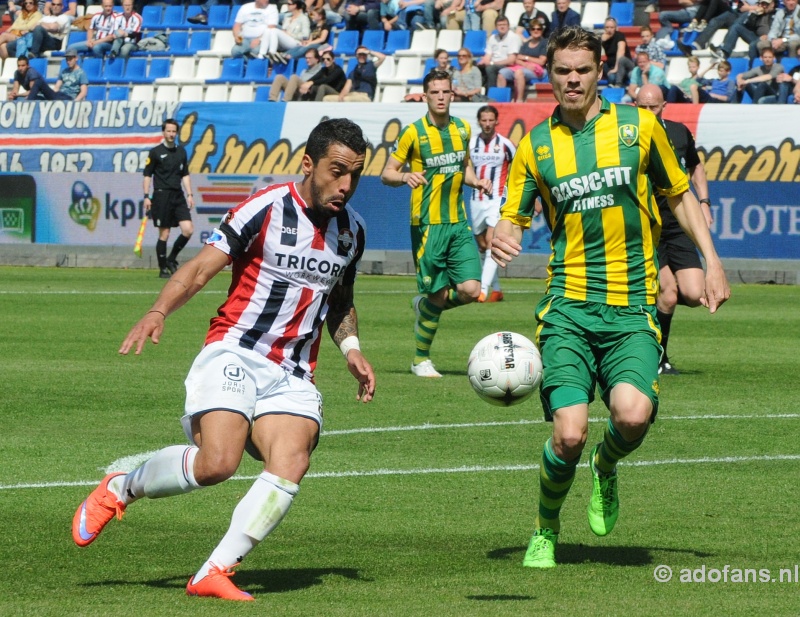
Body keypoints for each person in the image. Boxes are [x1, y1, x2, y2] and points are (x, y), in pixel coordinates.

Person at [72, 118, 376, 603]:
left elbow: (339, 300)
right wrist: (158, 310)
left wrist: (353, 349)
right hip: (236, 350)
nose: (345, 184)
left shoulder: (352, 231)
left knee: (292, 458)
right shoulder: (264, 208)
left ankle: (215, 570)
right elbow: (198, 270)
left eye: (355, 174)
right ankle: (122, 485)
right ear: (307, 163)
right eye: (336, 170)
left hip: (293, 371)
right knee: (218, 464)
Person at [491, 26, 729, 569]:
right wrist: (505, 231)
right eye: (561, 71)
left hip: (631, 306)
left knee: (631, 418)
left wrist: (712, 262)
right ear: (548, 75)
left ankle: (606, 464)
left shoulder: (639, 127)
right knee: (568, 434)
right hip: (569, 307)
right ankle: (545, 527)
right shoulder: (534, 145)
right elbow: (514, 214)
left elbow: (680, 196)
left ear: (601, 71)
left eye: (582, 70)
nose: (572, 80)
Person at [380, 69, 492, 378]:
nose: (441, 97)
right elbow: (387, 173)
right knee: (438, 295)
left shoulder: (463, 129)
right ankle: (420, 360)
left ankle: (426, 307)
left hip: (459, 223)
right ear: (426, 96)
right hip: (427, 224)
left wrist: (477, 182)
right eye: (435, 92)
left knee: (471, 290)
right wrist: (404, 176)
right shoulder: (413, 133)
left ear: (452, 95)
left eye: (446, 92)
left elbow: (464, 167)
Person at [636, 84, 713, 375]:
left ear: (663, 105)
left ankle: (648, 304)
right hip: (648, 225)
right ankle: (659, 357)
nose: (647, 112)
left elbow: (695, 167)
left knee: (694, 295)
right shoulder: (627, 138)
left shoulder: (680, 132)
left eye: (652, 107)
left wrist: (704, 202)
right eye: (642, 107)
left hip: (678, 223)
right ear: (634, 106)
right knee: (668, 294)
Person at [468, 105, 515, 303]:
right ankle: (496, 289)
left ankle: (483, 290)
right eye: (483, 120)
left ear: (496, 121)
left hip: (497, 200)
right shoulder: (470, 145)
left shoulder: (506, 144)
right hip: (476, 200)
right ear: (479, 121)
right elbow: (465, 168)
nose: (487, 124)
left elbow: (518, 167)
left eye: (490, 120)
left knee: (491, 241)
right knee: (482, 245)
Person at [142, 119, 195, 279]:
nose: (171, 134)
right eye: (169, 131)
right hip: (161, 195)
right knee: (164, 233)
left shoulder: (181, 152)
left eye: (174, 131)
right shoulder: (155, 152)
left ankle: (172, 259)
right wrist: (146, 196)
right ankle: (163, 268)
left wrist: (190, 194)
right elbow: (147, 175)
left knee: (188, 229)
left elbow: (184, 174)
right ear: (163, 132)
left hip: (178, 195)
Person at [709, 0, 776, 61]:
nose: (762, 6)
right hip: (756, 37)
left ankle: (752, 63)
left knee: (755, 43)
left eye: (765, 4)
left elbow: (778, 29)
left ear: (772, 4)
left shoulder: (776, 14)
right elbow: (749, 26)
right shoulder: (759, 13)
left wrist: (769, 36)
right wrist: (753, 14)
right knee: (736, 27)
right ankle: (725, 52)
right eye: (761, 4)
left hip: (769, 38)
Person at [498, 19, 547, 102]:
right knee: (502, 73)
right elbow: (516, 59)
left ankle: (519, 99)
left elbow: (541, 61)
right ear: (530, 31)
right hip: (524, 67)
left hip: (539, 70)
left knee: (519, 73)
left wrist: (525, 58)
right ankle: (500, 100)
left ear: (542, 31)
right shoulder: (526, 44)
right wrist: (526, 65)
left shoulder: (544, 43)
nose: (536, 31)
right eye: (533, 29)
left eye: (538, 29)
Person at [6, 0, 71, 59]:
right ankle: (23, 61)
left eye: (58, 5)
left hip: (54, 42)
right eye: (53, 4)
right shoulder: (46, 18)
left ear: (62, 6)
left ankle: (34, 54)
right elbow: (32, 27)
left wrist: (41, 24)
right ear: (51, 6)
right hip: (38, 39)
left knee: (39, 29)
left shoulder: (64, 17)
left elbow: (53, 27)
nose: (55, 7)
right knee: (10, 46)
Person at [477, 16, 521, 89]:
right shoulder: (492, 38)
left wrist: (492, 63)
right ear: (496, 27)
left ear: (508, 26)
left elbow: (511, 61)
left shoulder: (514, 37)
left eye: (504, 25)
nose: (502, 27)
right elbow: (488, 55)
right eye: (500, 25)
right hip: (493, 64)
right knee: (476, 67)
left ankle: (491, 93)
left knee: (490, 68)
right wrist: (484, 62)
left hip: (507, 66)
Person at [601, 16, 634, 87]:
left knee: (621, 61)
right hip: (611, 65)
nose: (609, 30)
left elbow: (621, 52)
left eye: (612, 27)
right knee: (610, 76)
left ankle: (618, 84)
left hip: (624, 64)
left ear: (615, 28)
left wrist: (616, 68)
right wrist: (601, 41)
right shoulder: (603, 38)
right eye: (607, 27)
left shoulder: (619, 36)